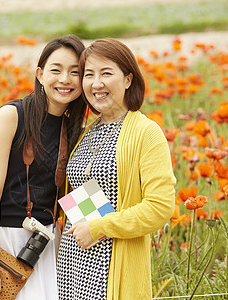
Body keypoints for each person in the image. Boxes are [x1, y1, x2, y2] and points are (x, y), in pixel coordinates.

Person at [0, 34, 87, 299]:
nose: (65, 80)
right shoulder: (12, 115)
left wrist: (106, 225)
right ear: (39, 74)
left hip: (41, 243)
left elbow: (73, 193)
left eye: (75, 72)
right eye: (56, 70)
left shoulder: (75, 130)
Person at [56, 38, 176, 300]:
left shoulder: (146, 132)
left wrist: (99, 227)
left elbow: (160, 207)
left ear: (128, 79)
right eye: (89, 74)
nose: (96, 83)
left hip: (111, 269)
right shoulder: (87, 133)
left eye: (106, 73)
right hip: (70, 267)